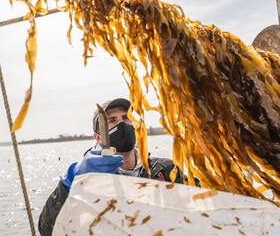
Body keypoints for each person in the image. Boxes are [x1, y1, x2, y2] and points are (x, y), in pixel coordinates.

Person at [38, 98, 185, 236]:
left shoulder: (165, 170)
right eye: (112, 120)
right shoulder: (87, 180)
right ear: (98, 137)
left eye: (126, 117)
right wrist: (71, 182)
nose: (122, 124)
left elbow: (202, 203)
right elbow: (47, 229)